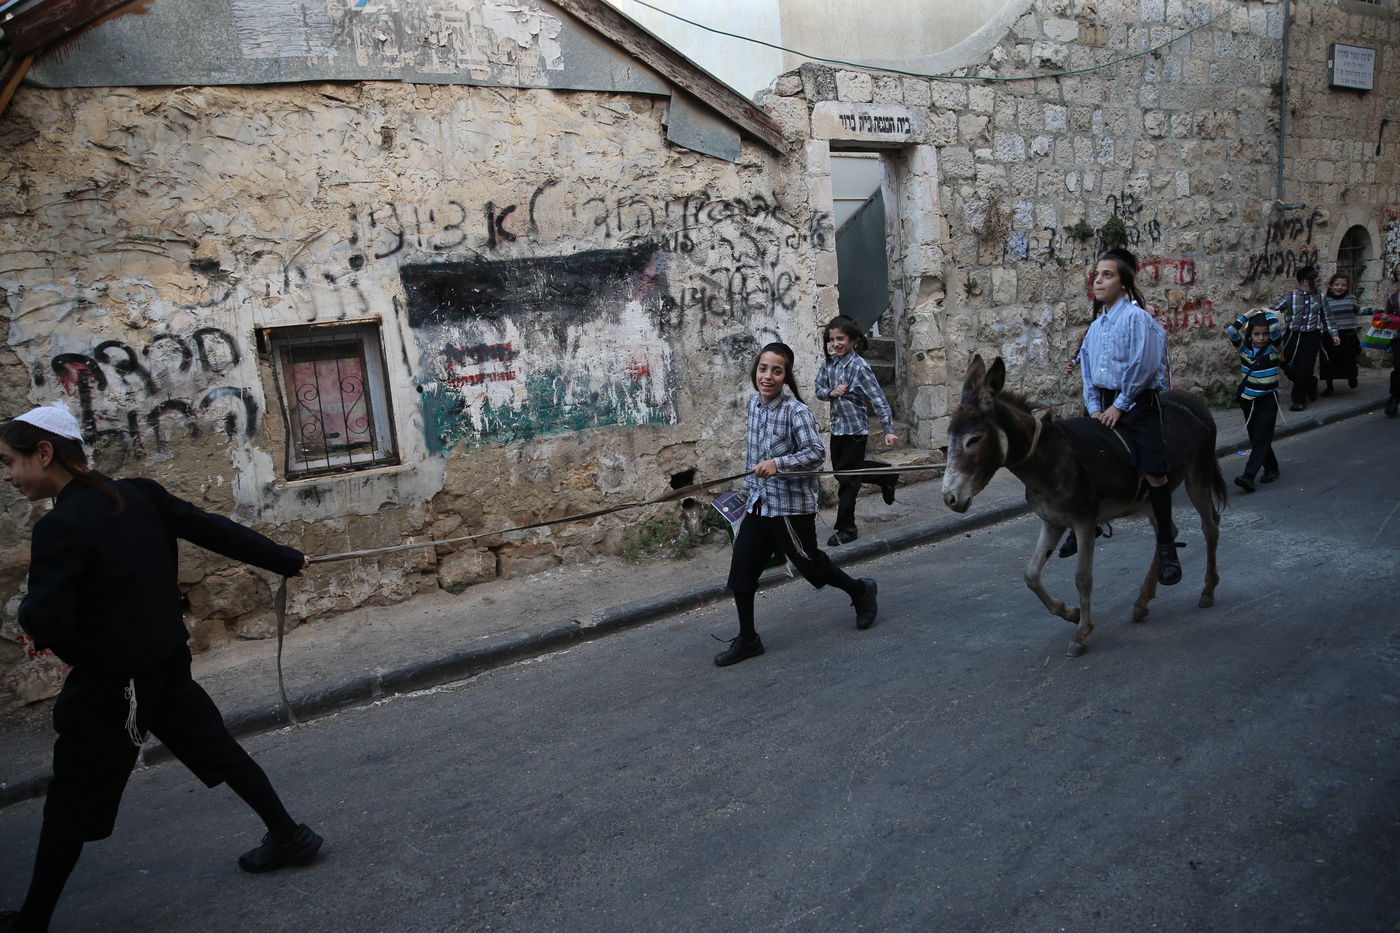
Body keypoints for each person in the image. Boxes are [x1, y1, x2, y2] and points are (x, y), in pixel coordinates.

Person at [0, 405, 322, 933]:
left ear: (44, 453)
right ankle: (288, 835)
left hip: (113, 685)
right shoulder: (140, 493)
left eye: (10, 462)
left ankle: (31, 919)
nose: (8, 476)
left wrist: (34, 615)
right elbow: (212, 529)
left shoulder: (60, 527)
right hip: (163, 665)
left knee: (71, 799)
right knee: (219, 749)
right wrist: (282, 557)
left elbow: (48, 620)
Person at [714, 342, 879, 667]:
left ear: (786, 376)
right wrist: (749, 489)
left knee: (812, 566)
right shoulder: (753, 405)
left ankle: (861, 591)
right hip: (759, 505)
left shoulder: (796, 411)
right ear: (755, 372)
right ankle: (749, 640)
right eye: (763, 369)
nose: (768, 376)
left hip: (789, 509)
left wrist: (779, 463)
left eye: (777, 371)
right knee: (741, 574)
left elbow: (816, 453)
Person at [1077, 248, 1182, 585]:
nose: (1099, 280)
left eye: (1107, 275)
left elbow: (1145, 363)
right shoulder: (1096, 327)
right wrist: (1094, 407)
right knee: (1078, 457)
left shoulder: (1137, 319)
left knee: (1153, 471)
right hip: (1102, 403)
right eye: (1097, 274)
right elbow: (1087, 370)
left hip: (1137, 403)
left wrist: (1120, 405)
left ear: (1123, 283)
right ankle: (1085, 524)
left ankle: (1166, 545)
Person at [814, 315, 899, 546]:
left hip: (855, 431)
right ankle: (886, 475)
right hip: (837, 429)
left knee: (848, 480)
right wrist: (831, 392)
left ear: (851, 339)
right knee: (842, 474)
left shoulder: (860, 366)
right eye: (832, 339)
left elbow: (879, 399)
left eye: (840, 338)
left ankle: (846, 528)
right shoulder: (829, 364)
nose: (836, 344)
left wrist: (888, 429)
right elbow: (818, 388)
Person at [1225, 309, 1284, 492]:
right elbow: (1230, 331)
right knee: (1257, 437)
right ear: (1249, 334)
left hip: (1267, 400)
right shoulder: (1244, 348)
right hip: (1248, 401)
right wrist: (1246, 316)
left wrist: (1268, 313)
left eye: (1264, 334)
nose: (1261, 338)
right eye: (1256, 334)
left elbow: (1276, 329)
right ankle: (1272, 468)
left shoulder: (1274, 349)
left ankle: (1248, 476)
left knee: (1260, 438)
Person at [1273, 265, 1340, 412]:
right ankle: (1310, 382)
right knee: (1285, 363)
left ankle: (1299, 399)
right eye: (1316, 281)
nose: (1319, 284)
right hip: (1292, 335)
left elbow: (1327, 316)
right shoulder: (1291, 296)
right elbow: (1274, 309)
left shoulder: (1321, 297)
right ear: (1305, 282)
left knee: (1305, 367)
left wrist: (1333, 334)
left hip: (1312, 336)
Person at [1319, 272, 1360, 396]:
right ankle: (1329, 386)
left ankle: (1352, 376)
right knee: (1328, 361)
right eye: (1336, 284)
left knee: (1350, 359)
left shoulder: (1351, 298)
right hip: (1330, 335)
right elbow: (1321, 316)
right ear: (1331, 286)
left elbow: (1357, 310)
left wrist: (1374, 311)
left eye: (1343, 285)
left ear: (1347, 287)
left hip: (1348, 334)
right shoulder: (1325, 300)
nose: (1339, 287)